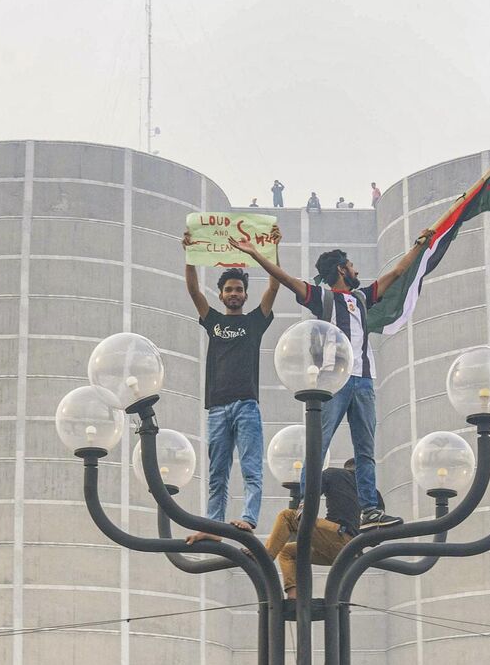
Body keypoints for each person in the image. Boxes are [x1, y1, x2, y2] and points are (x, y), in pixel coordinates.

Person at [230, 227, 436, 532]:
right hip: (334, 383)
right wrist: (257, 253)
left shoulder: (362, 298)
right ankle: (304, 502)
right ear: (341, 269)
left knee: (365, 448)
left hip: (364, 381)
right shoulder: (322, 297)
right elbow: (286, 279)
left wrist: (420, 246)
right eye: (352, 265)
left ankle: (369, 510)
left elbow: (397, 272)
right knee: (319, 443)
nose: (356, 270)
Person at [181, 226, 284, 536]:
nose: (234, 294)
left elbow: (275, 287)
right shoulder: (213, 321)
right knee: (217, 472)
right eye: (229, 290)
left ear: (245, 294)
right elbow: (194, 291)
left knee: (251, 468)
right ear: (222, 294)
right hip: (217, 408)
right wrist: (189, 254)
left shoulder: (254, 321)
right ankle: (212, 525)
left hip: (247, 406)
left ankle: (248, 518)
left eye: (239, 289)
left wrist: (271, 249)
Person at [195, 457, 376, 599]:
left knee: (287, 517)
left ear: (348, 468)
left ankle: (264, 557)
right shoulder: (373, 492)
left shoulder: (334, 474)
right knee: (288, 551)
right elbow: (378, 529)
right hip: (349, 553)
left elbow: (311, 496)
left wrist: (302, 511)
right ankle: (293, 596)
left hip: (337, 533)